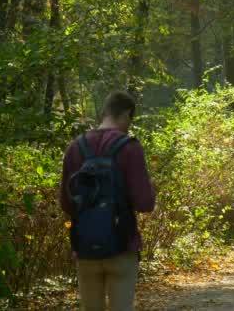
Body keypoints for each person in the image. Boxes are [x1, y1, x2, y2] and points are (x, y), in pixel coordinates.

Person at [60, 91, 156, 311]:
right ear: (127, 114)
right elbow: (145, 203)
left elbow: (66, 204)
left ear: (105, 112)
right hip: (122, 247)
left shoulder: (75, 147)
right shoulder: (129, 147)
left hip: (84, 249)